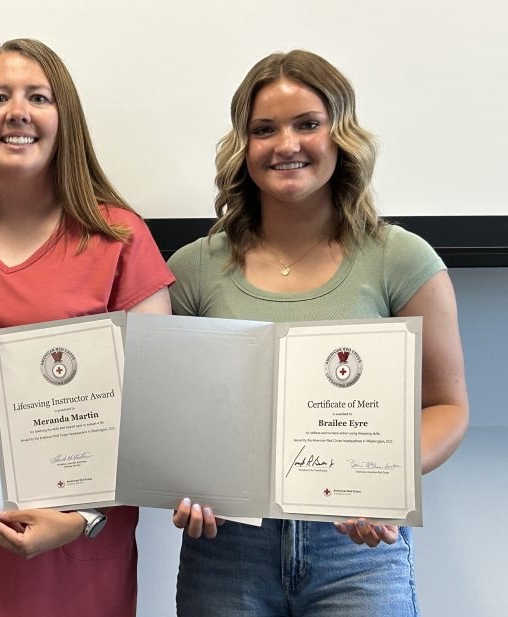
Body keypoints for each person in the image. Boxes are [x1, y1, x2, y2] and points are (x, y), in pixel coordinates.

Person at [168, 50, 469, 616]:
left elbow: (448, 407)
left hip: (357, 552)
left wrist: (384, 482)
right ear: (243, 145)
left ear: (341, 136)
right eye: (264, 129)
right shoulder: (191, 270)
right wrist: (180, 481)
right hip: (227, 550)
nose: (286, 144)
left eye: (307, 123)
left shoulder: (401, 259)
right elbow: (164, 413)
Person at [0, 38, 174, 617]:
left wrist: (79, 519)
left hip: (78, 544)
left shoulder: (120, 237)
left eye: (37, 97)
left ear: (64, 118)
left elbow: (155, 413)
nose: (17, 111)